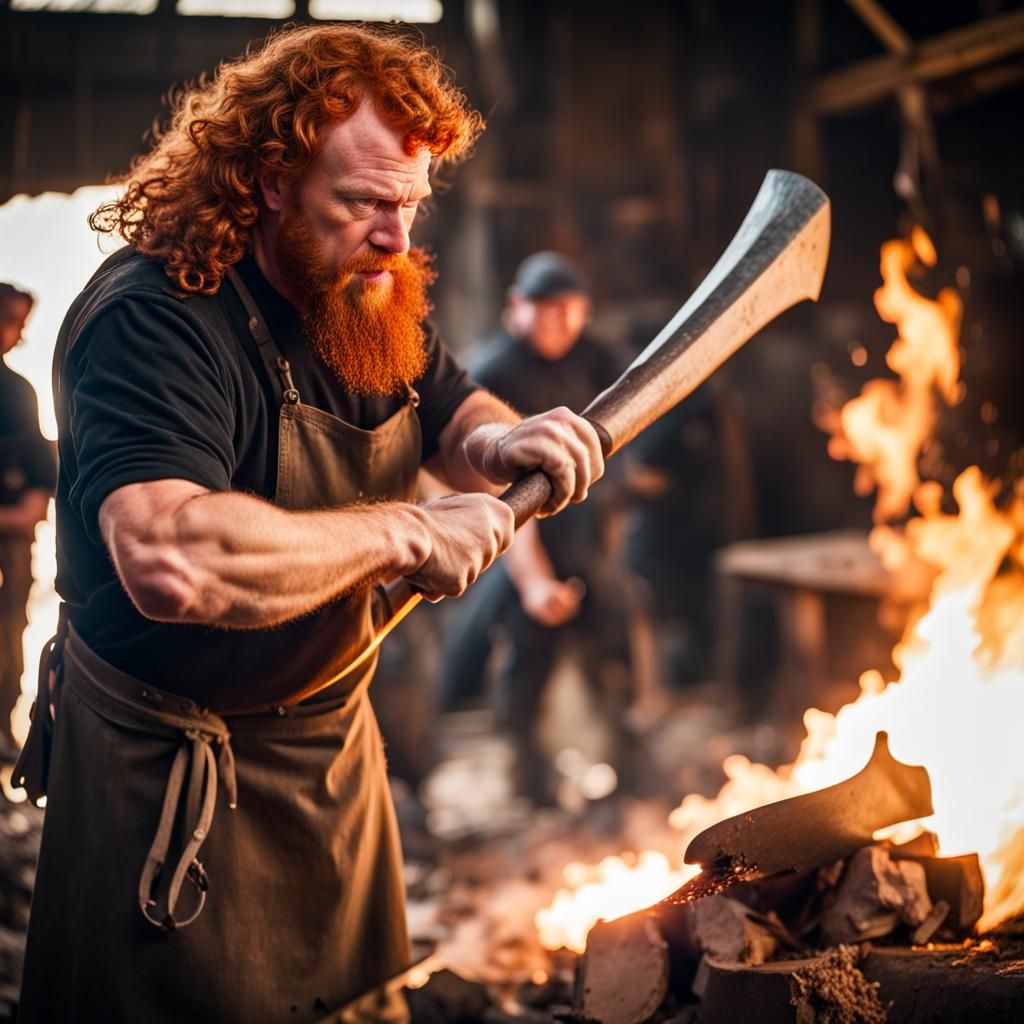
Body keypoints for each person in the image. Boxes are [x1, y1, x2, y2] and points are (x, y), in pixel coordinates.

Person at [15, 26, 603, 1023]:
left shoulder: (370, 289)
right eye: (365, 203)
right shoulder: (152, 321)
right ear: (270, 178)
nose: (394, 236)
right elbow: (171, 553)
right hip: (167, 778)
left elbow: (452, 414)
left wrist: (504, 447)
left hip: (328, 750)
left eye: (409, 204)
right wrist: (406, 534)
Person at [438, 252, 629, 804]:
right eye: (547, 312)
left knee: (617, 636)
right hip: (515, 542)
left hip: (587, 534)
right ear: (515, 309)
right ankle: (528, 781)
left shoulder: (596, 358)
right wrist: (534, 578)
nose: (561, 325)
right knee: (527, 652)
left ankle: (625, 772)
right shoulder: (489, 375)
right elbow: (488, 492)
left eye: (572, 312)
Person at [0, 283, 55, 765]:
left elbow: (36, 501)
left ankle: (3, 729)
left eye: (20, 327)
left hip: (9, 549)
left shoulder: (18, 394)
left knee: (9, 636)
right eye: (12, 323)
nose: (17, 338)